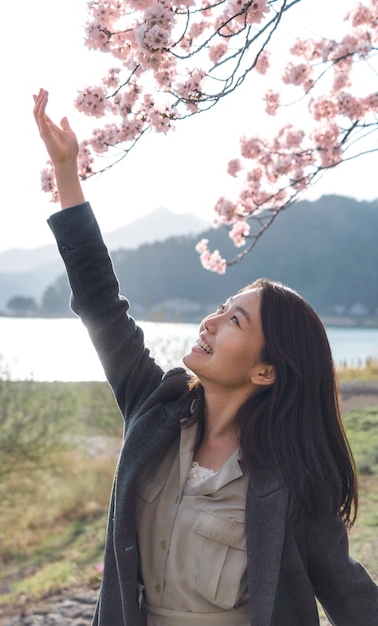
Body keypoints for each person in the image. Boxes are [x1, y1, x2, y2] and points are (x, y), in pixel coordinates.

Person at [33, 88, 378, 626]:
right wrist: (67, 174)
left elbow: (350, 595)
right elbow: (101, 305)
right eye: (221, 306)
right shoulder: (155, 408)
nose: (211, 321)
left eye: (235, 320)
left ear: (266, 371)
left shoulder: (293, 476)